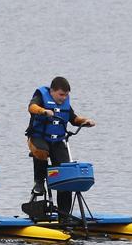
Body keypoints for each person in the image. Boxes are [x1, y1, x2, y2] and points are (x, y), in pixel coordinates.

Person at [24, 76, 96, 217]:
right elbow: (31, 107)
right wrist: (43, 111)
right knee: (41, 151)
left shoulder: (65, 104)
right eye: (61, 95)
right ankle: (39, 183)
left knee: (66, 174)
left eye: (66, 95)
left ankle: (64, 215)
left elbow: (73, 118)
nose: (63, 98)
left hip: (57, 142)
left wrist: (85, 121)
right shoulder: (40, 96)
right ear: (52, 91)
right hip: (38, 138)